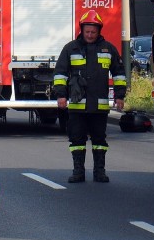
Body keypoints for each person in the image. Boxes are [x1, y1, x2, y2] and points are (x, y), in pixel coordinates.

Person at [53, 10, 127, 183]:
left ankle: (99, 172)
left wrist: (120, 96)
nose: (90, 35)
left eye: (93, 32)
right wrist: (61, 96)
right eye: (87, 31)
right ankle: (78, 172)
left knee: (99, 140)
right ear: (82, 30)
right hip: (77, 107)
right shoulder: (70, 49)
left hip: (99, 107)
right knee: (77, 140)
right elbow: (60, 74)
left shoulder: (109, 49)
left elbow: (119, 74)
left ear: (99, 31)